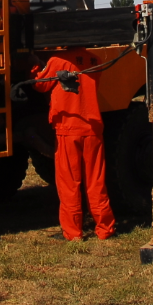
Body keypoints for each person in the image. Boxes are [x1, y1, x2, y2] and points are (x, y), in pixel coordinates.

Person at [34, 52, 116, 240]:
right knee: (96, 181)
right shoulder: (97, 60)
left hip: (68, 129)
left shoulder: (57, 61)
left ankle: (73, 232)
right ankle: (105, 228)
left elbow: (40, 85)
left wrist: (34, 67)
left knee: (69, 182)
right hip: (92, 128)